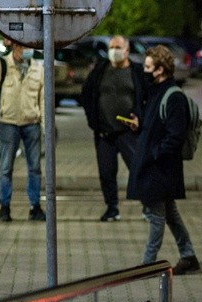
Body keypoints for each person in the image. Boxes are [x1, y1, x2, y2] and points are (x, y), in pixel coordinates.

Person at [126, 45, 200, 275]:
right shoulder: (156, 92)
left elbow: (174, 137)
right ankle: (188, 256)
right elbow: (154, 129)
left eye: (148, 67)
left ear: (160, 70)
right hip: (153, 165)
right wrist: (139, 129)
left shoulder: (174, 97)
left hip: (160, 169)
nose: (145, 71)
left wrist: (156, 152)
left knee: (155, 216)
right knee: (170, 214)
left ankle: (148, 264)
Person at [81, 36, 147, 222]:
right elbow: (86, 94)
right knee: (106, 172)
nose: (114, 51)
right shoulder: (101, 69)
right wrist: (93, 120)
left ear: (126, 50)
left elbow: (146, 98)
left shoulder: (136, 71)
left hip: (128, 132)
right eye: (111, 47)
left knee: (138, 168)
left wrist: (139, 118)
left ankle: (148, 206)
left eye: (117, 47)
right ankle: (112, 208)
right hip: (104, 132)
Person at [0, 41, 45, 222]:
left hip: (31, 123)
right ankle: (5, 207)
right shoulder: (1, 65)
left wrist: (45, 126)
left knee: (35, 168)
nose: (27, 50)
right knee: (6, 167)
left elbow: (43, 99)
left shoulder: (38, 68)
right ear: (15, 46)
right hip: (8, 122)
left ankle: (35, 206)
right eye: (24, 46)